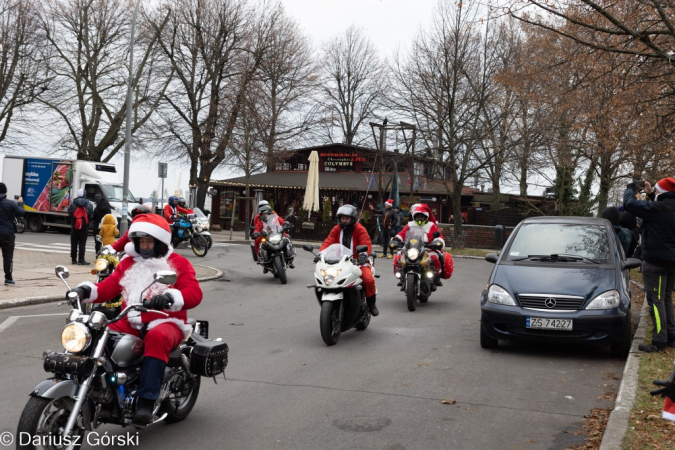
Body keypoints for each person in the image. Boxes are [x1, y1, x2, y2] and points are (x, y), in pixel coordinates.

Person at [69, 213, 202, 425]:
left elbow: (194, 294)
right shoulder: (128, 262)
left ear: (159, 242)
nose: (145, 246)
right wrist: (86, 290)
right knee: (98, 333)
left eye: (149, 241)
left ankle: (146, 402)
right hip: (129, 320)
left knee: (157, 337)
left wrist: (169, 298)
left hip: (166, 321)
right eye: (141, 241)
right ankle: (102, 387)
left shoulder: (178, 263)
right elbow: (109, 287)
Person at [624, 178, 675, 352]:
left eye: (656, 189)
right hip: (672, 262)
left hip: (656, 262)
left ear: (662, 192)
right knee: (666, 297)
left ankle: (659, 339)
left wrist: (631, 189)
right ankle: (671, 334)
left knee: (656, 300)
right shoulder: (667, 207)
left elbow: (629, 204)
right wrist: (652, 193)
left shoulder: (657, 209)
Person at [318, 204, 378, 316]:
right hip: (340, 262)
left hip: (358, 262)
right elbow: (328, 241)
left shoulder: (360, 229)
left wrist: (363, 255)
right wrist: (321, 253)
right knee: (326, 278)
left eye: (347, 218)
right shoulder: (336, 229)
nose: (344, 220)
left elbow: (366, 242)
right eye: (342, 218)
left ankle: (371, 304)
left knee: (368, 279)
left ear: (352, 218)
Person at [391, 204, 446, 288]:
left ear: (426, 217)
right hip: (411, 248)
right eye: (418, 216)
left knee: (435, 257)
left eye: (422, 216)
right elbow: (401, 234)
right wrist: (396, 240)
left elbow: (439, 236)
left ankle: (436, 277)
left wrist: (438, 241)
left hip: (427, 248)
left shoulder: (431, 225)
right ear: (414, 217)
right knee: (399, 256)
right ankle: (402, 277)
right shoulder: (409, 225)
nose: (420, 218)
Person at [0, 183, 25, 284]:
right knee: (8, 256)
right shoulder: (11, 203)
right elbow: (21, 213)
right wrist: (19, 203)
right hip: (7, 232)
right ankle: (8, 278)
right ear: (6, 192)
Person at [68, 189, 94, 265]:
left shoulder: (73, 203)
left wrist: (73, 222)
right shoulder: (88, 204)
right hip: (84, 227)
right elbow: (91, 215)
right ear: (85, 194)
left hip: (74, 226)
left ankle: (73, 259)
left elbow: (70, 214)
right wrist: (86, 222)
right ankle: (81, 260)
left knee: (74, 243)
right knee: (82, 244)